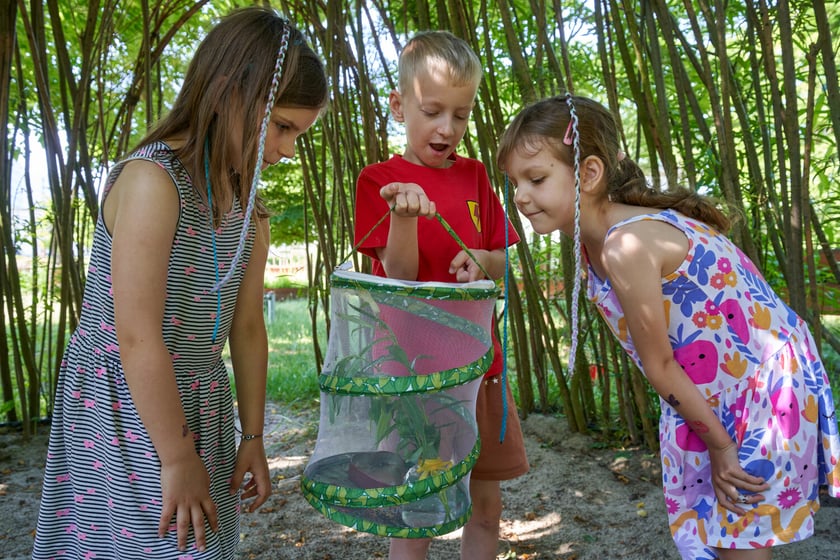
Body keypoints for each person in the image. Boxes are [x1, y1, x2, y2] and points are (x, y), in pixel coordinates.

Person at [32, 7, 328, 559]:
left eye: (298, 134)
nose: (288, 148)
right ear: (227, 92)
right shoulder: (152, 182)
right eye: (282, 127)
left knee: (200, 545)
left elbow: (246, 327)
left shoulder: (249, 213)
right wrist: (174, 455)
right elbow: (137, 335)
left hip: (200, 400)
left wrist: (254, 437)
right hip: (128, 409)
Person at [496, 94, 840, 560]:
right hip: (712, 391)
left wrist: (721, 447)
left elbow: (659, 363)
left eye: (536, 178)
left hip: (757, 391)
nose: (519, 194)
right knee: (719, 537)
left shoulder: (627, 244)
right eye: (514, 181)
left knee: (736, 536)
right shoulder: (593, 246)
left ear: (590, 174)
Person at [354, 30, 529, 560]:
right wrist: (404, 217)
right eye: (432, 111)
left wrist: (483, 260)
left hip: (480, 368)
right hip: (411, 378)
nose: (446, 128)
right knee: (416, 510)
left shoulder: (477, 176)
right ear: (398, 105)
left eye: (461, 114)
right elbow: (399, 275)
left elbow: (501, 260)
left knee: (486, 508)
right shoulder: (378, 181)